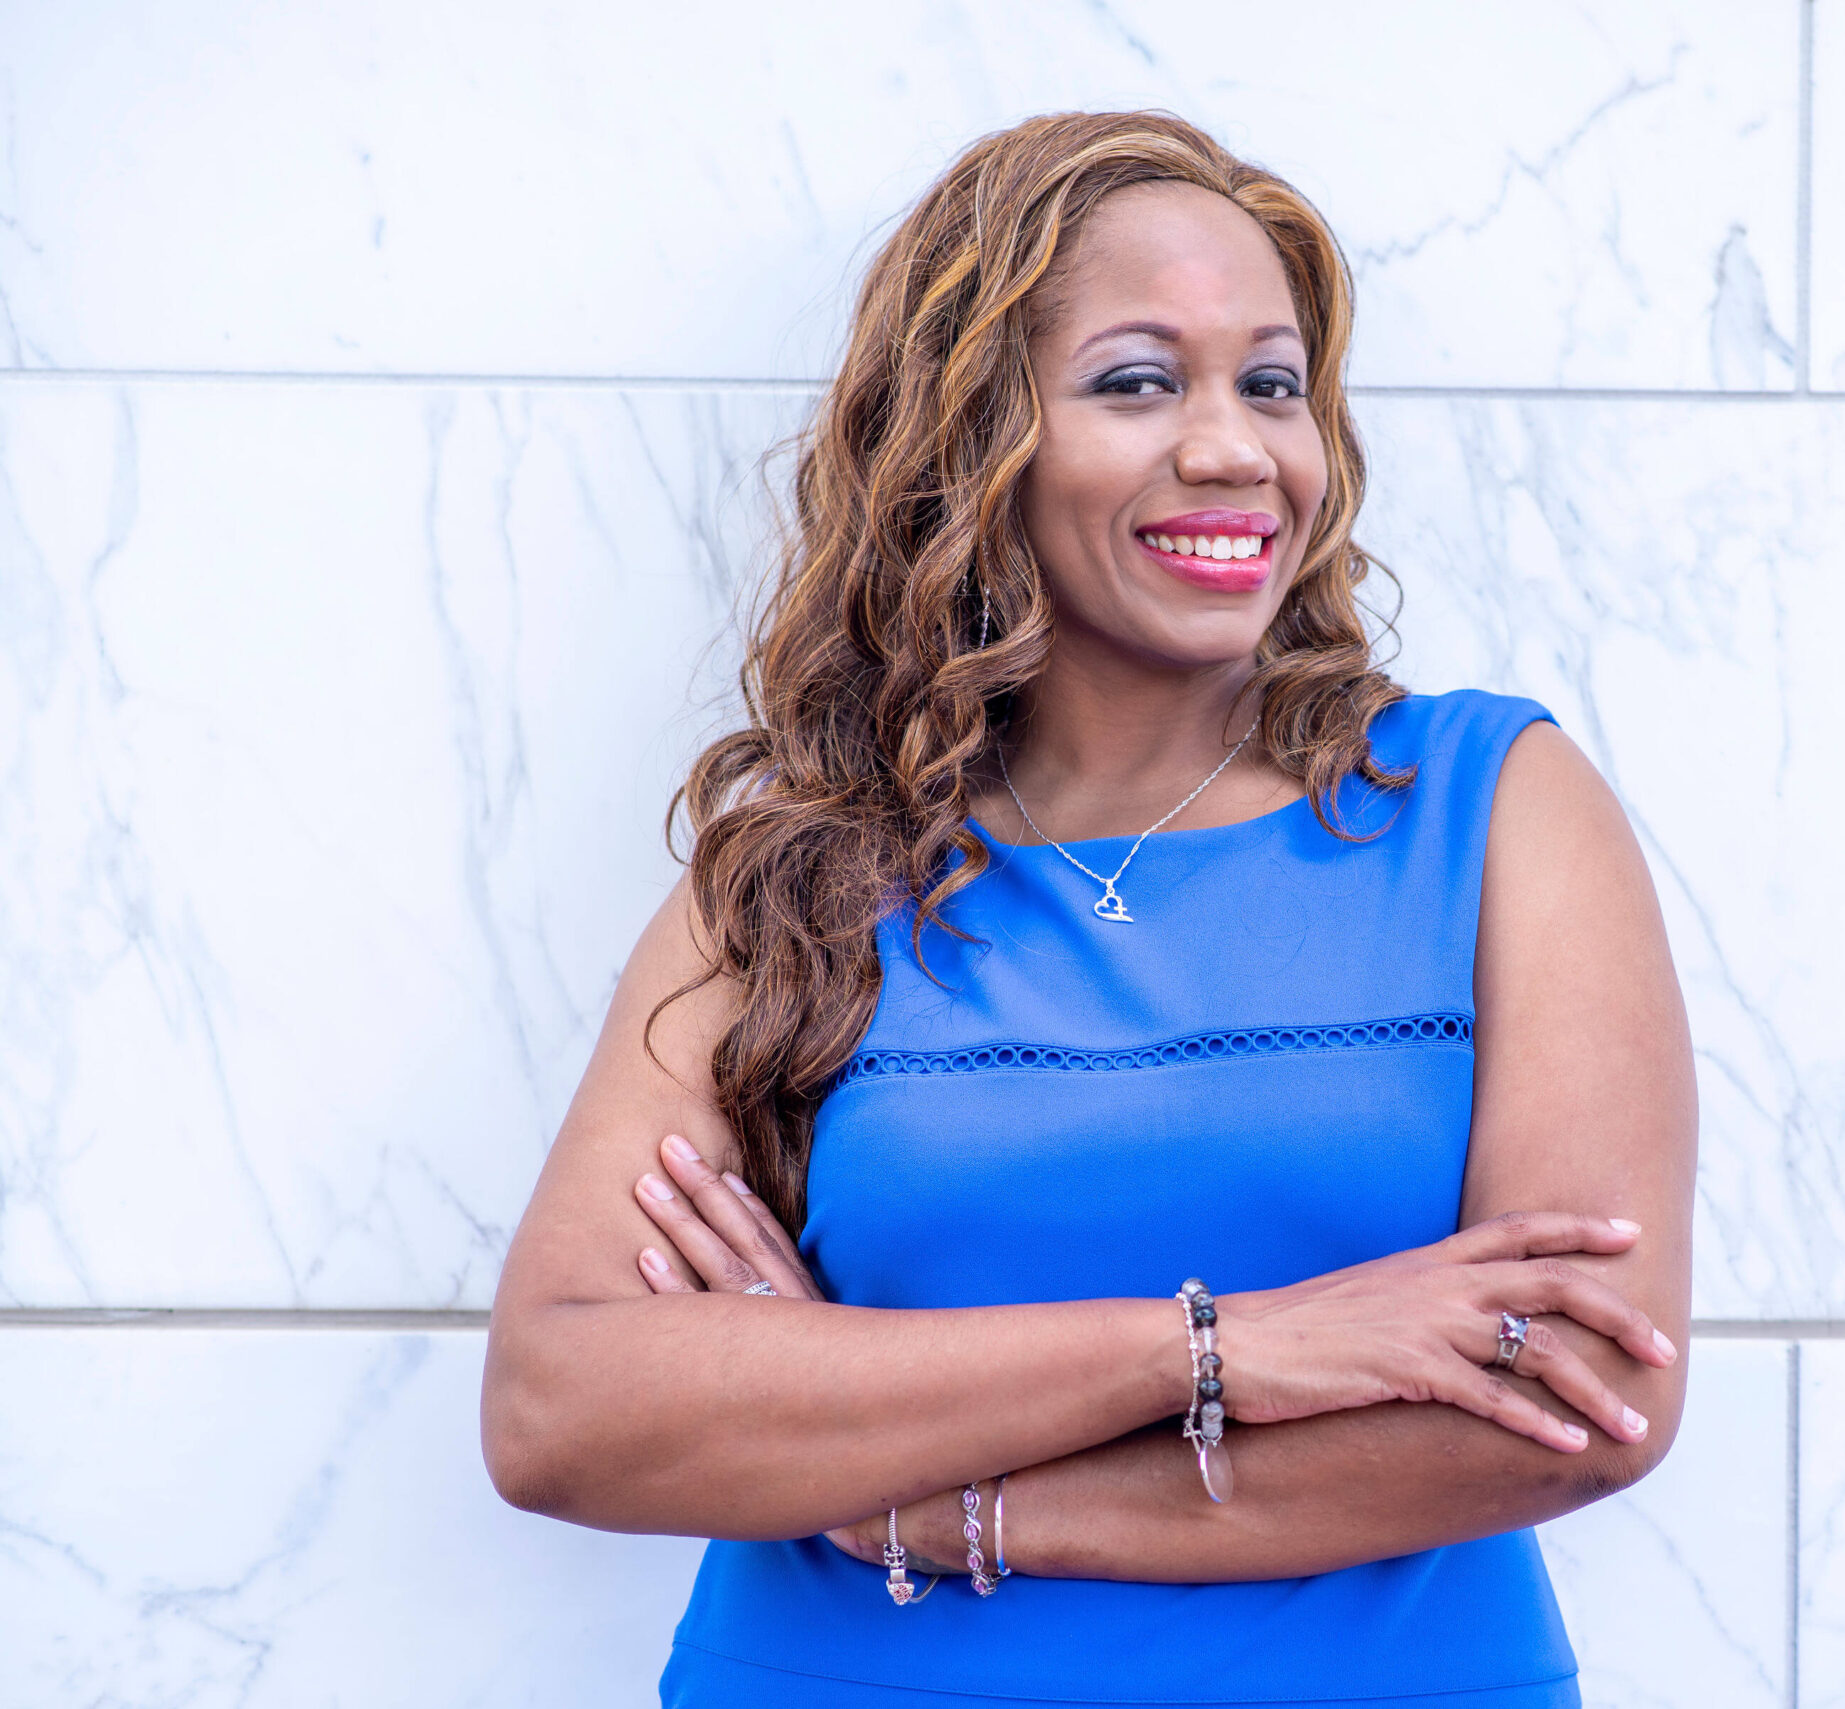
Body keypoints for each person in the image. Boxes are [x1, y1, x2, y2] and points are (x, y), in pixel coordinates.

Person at [481, 109, 1696, 1709]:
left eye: (1272, 382)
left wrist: (930, 1498)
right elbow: (562, 1404)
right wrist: (1218, 1349)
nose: (1234, 446)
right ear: (976, 439)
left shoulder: (1489, 805)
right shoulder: (808, 871)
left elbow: (1586, 1381)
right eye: (1139, 380)